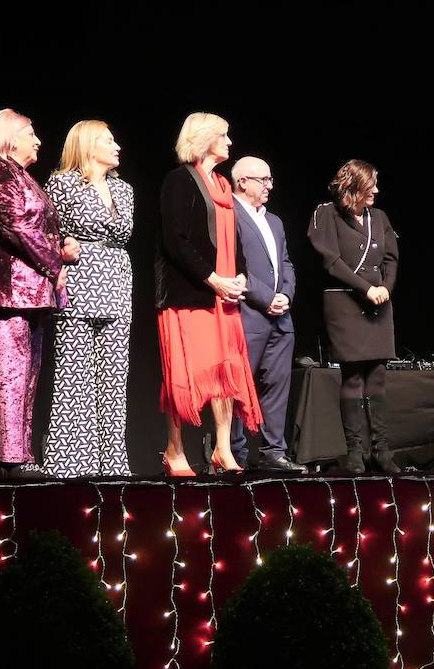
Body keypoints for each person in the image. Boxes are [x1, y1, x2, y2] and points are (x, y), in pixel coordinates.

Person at [0, 109, 79, 478]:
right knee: (11, 373)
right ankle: (11, 458)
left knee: (28, 375)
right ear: (10, 137)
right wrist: (56, 261)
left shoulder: (24, 177)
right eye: (31, 133)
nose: (38, 141)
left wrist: (59, 250)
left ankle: (23, 456)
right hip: (6, 288)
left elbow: (36, 229)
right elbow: (19, 226)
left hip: (31, 290)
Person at [156, 112, 261, 476]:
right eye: (224, 136)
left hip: (224, 295)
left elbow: (234, 239)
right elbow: (176, 241)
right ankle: (174, 449)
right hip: (190, 293)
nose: (230, 142)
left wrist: (241, 275)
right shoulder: (179, 181)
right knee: (185, 373)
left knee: (225, 373)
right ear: (204, 138)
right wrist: (212, 277)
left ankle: (222, 449)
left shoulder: (222, 185)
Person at [43, 120, 134, 477]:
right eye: (108, 141)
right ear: (87, 145)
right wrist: (62, 248)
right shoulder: (61, 183)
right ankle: (71, 466)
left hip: (116, 282)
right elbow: (47, 233)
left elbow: (124, 232)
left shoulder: (124, 189)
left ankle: (112, 466)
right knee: (74, 374)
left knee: (114, 380)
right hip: (79, 281)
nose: (117, 147)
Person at [307, 159, 400, 473]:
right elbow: (332, 262)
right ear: (353, 187)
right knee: (353, 376)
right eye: (370, 185)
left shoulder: (381, 217)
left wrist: (385, 287)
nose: (376, 190)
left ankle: (382, 450)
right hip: (345, 302)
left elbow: (390, 258)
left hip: (379, 303)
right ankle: (355, 452)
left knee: (378, 375)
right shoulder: (326, 214)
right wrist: (366, 288)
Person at [227, 156, 306, 473]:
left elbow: (286, 263)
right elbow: (233, 267)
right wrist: (265, 298)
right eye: (265, 180)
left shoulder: (274, 221)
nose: (270, 186)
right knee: (238, 389)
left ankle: (274, 452)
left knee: (277, 386)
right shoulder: (228, 215)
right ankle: (234, 452)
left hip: (280, 319)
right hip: (248, 314)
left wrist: (285, 295)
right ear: (243, 181)